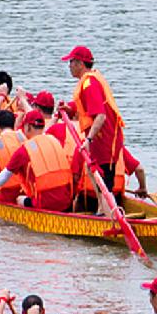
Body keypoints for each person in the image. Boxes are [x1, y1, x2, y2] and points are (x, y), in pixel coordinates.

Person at [62, 45, 126, 216]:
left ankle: (110, 215)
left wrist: (88, 140)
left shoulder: (89, 83)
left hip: (105, 139)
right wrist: (69, 110)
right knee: (95, 174)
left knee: (104, 180)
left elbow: (100, 116)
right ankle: (102, 210)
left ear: (80, 64)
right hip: (99, 138)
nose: (69, 66)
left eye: (71, 62)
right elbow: (86, 109)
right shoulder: (88, 81)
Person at [0, 109, 75, 211]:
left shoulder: (24, 150)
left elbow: (5, 175)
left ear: (28, 127)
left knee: (19, 199)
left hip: (45, 204)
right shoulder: (55, 141)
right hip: (67, 201)